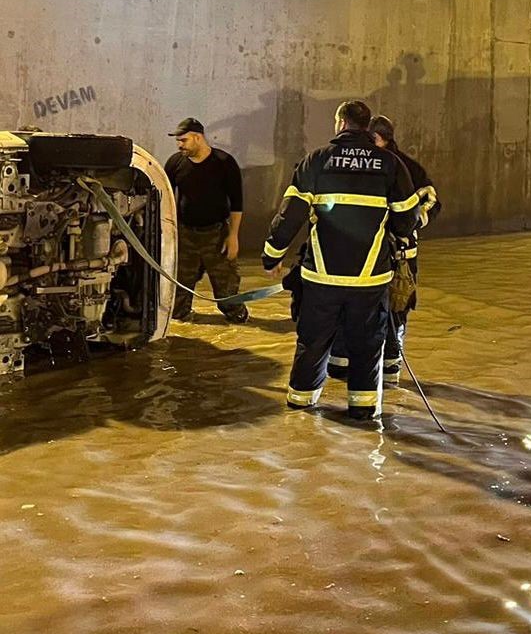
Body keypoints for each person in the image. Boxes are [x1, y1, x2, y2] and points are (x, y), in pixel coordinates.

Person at [262, 100, 418, 419]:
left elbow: (289, 217)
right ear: (366, 124)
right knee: (366, 347)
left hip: (321, 278)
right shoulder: (390, 164)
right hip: (370, 280)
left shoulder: (316, 161)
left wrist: (271, 256)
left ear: (340, 123)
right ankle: (362, 413)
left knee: (313, 342)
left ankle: (301, 406)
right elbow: (406, 221)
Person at [328, 114, 440, 386]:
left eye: (370, 139)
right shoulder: (368, 163)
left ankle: (390, 373)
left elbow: (431, 204)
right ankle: (341, 371)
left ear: (382, 139)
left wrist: (404, 225)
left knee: (395, 312)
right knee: (354, 310)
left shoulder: (406, 169)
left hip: (398, 256)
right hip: (367, 253)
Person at [164, 117, 248, 323]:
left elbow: (237, 203)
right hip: (184, 235)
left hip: (216, 235)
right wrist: (168, 235)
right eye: (178, 141)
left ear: (198, 137)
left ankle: (240, 326)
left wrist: (233, 236)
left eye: (183, 140)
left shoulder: (224, 163)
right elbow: (165, 197)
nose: (179, 145)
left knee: (228, 299)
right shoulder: (175, 163)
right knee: (177, 303)